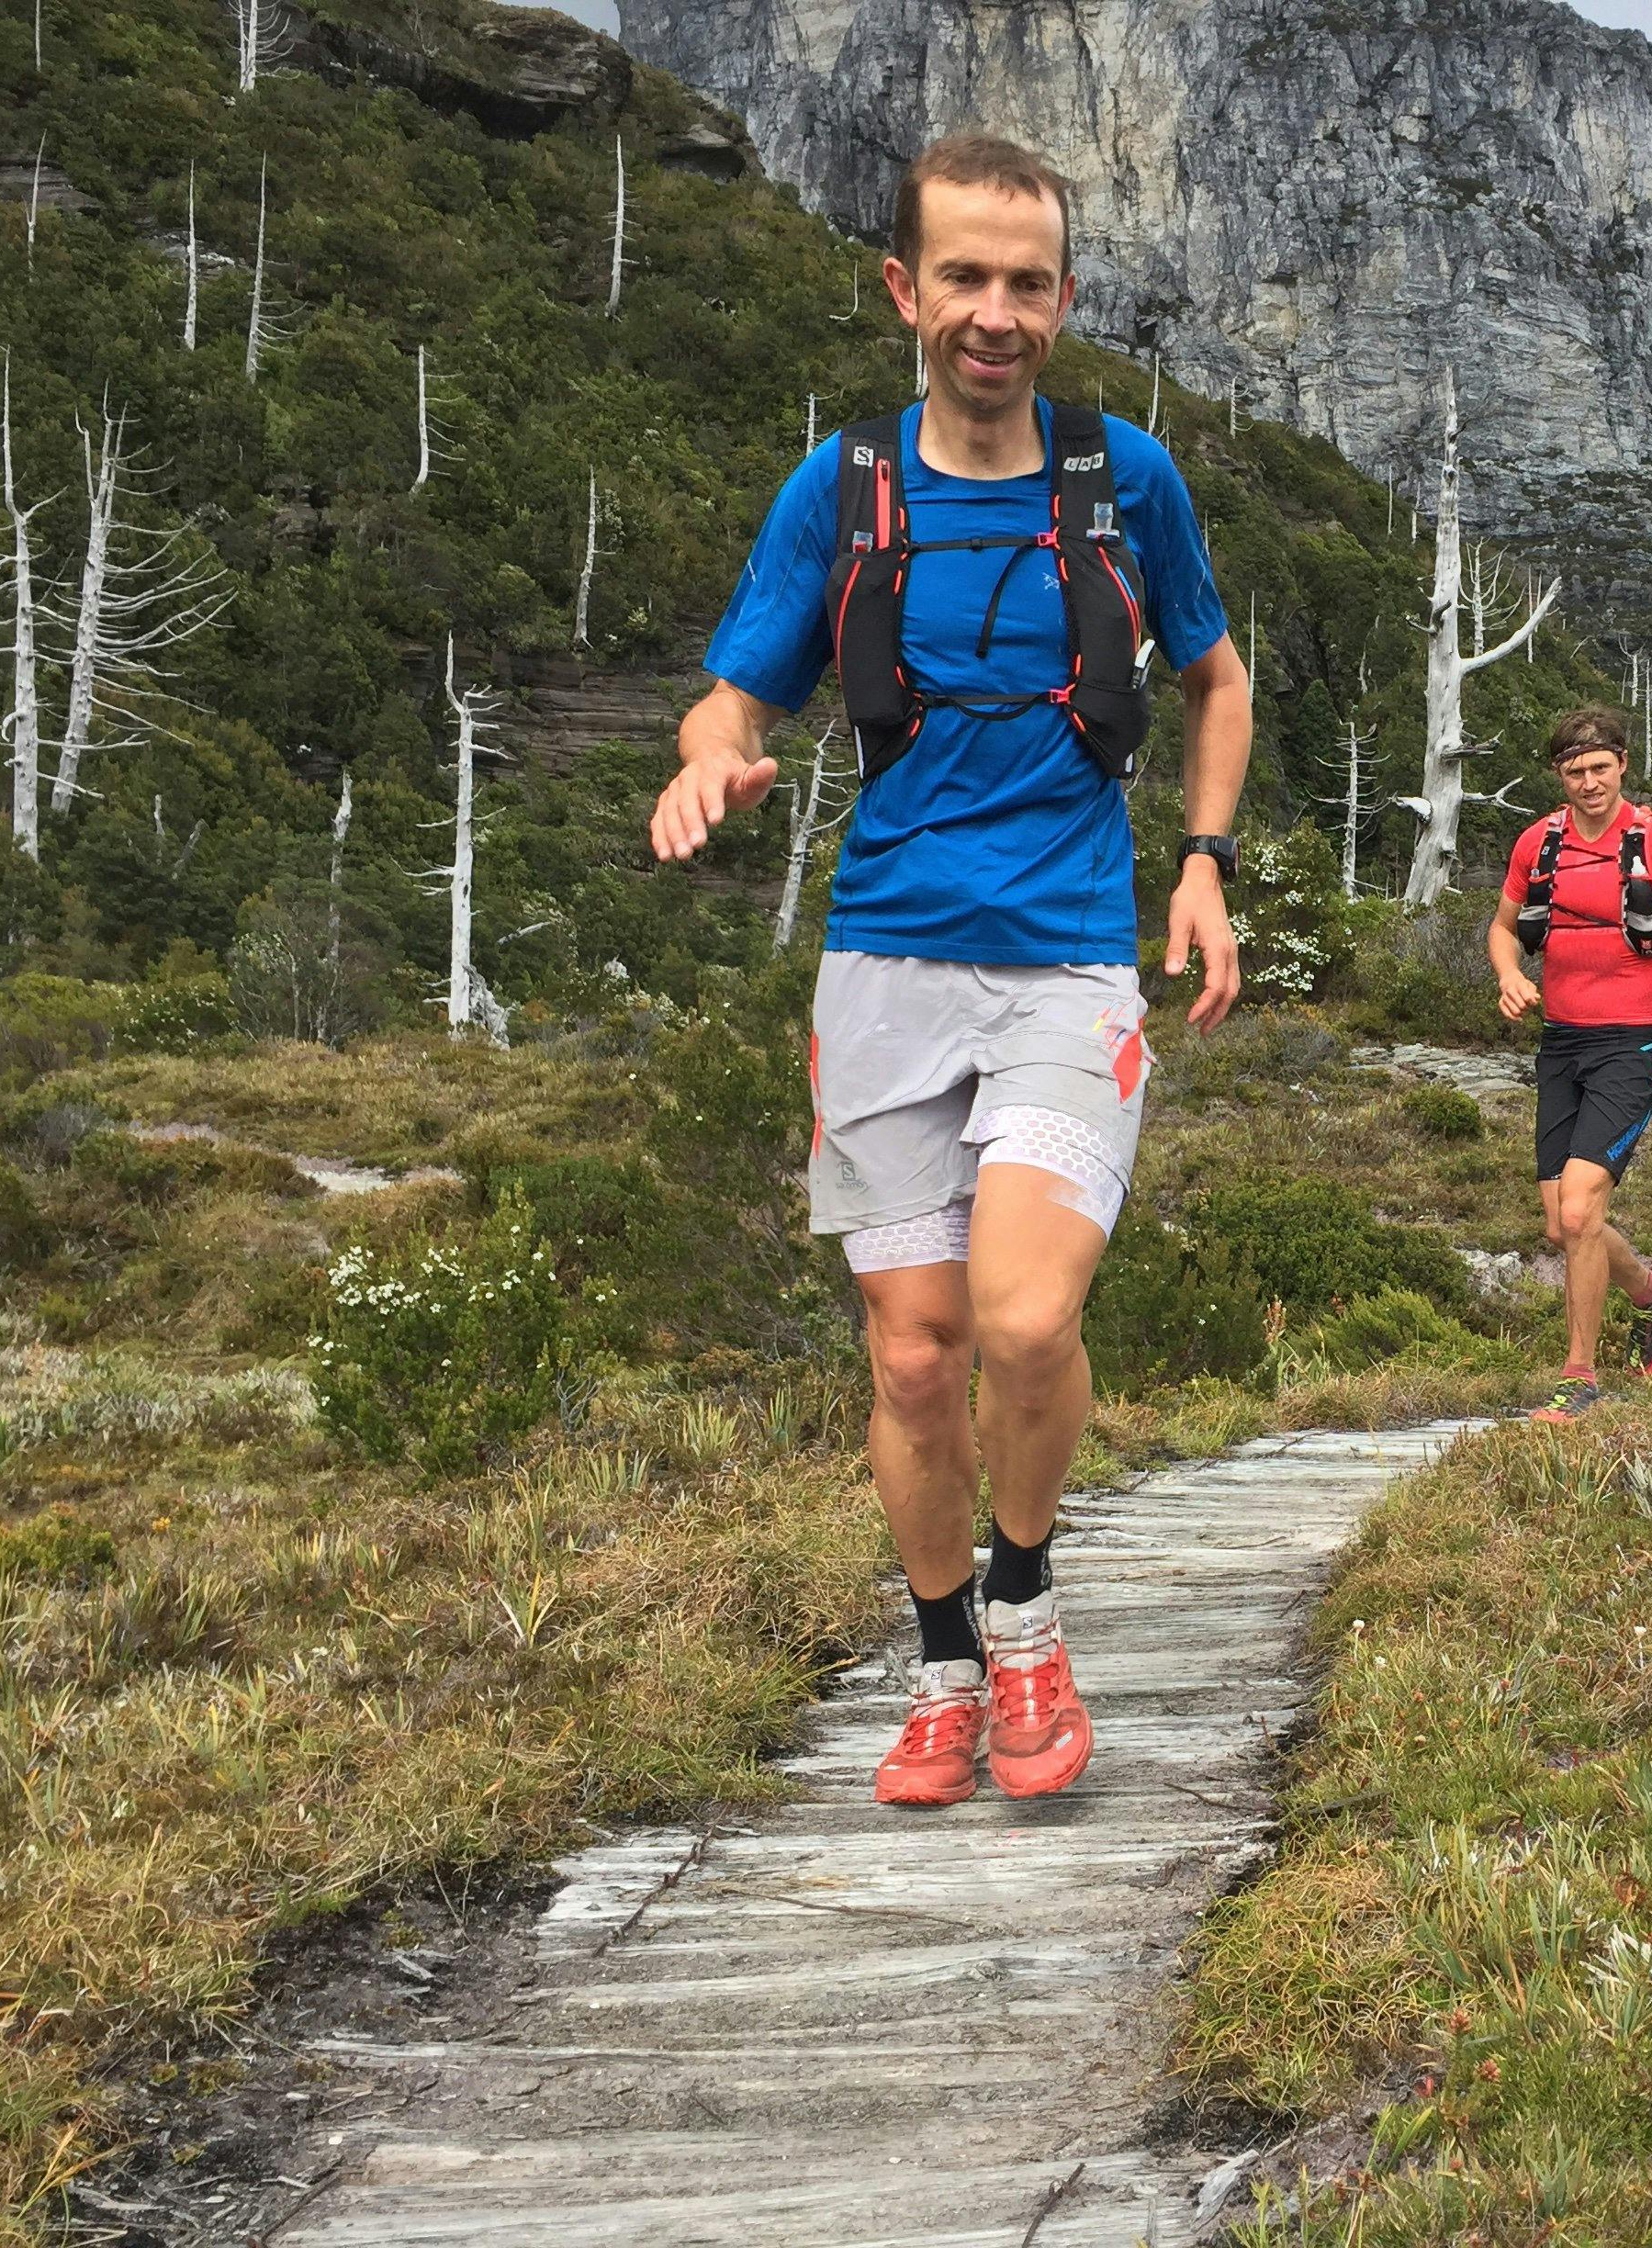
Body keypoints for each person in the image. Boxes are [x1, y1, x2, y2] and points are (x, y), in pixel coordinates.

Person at [647, 135, 1248, 1806]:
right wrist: (712, 758)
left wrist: (1203, 864)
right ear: (904, 289)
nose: (997, 313)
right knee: (914, 1353)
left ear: (1065, 298)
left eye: (1028, 283)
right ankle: (941, 1664)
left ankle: (1026, 1606)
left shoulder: (1124, 481)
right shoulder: (842, 490)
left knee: (1025, 1313)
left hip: (1066, 960)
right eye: (965, 278)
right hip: (884, 965)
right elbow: (736, 691)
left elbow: (1216, 680)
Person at [1488, 707, 1652, 1422]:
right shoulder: (1537, 842)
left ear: (1622, 764)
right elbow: (1503, 928)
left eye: (1600, 767)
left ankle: (1579, 1379)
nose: (1589, 782)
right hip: (1560, 1042)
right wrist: (1508, 975)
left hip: (1632, 1042)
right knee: (1562, 1227)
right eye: (1575, 771)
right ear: (1558, 775)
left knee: (1579, 1209)